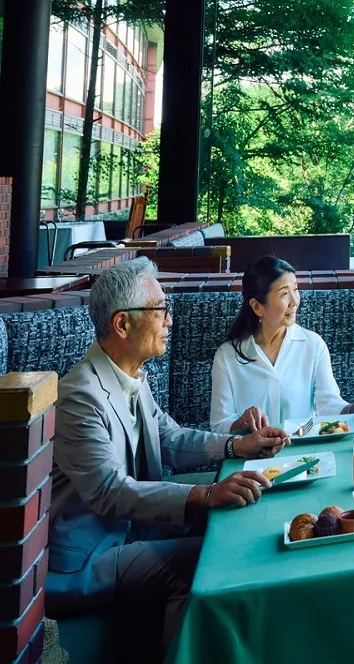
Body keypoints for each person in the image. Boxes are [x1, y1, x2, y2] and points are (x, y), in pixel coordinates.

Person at [47, 258, 289, 648]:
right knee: (202, 563)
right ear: (123, 324)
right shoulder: (80, 396)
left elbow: (169, 437)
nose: (170, 321)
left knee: (237, 524)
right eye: (160, 310)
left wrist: (236, 444)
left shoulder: (130, 375)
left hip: (135, 529)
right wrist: (205, 494)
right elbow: (111, 491)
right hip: (91, 555)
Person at [208, 255, 354, 433]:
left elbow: (328, 405)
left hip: (302, 449)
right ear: (257, 307)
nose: (294, 302)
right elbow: (219, 424)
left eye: (295, 289)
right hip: (254, 452)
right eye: (284, 293)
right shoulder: (227, 356)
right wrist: (241, 423)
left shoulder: (313, 345)